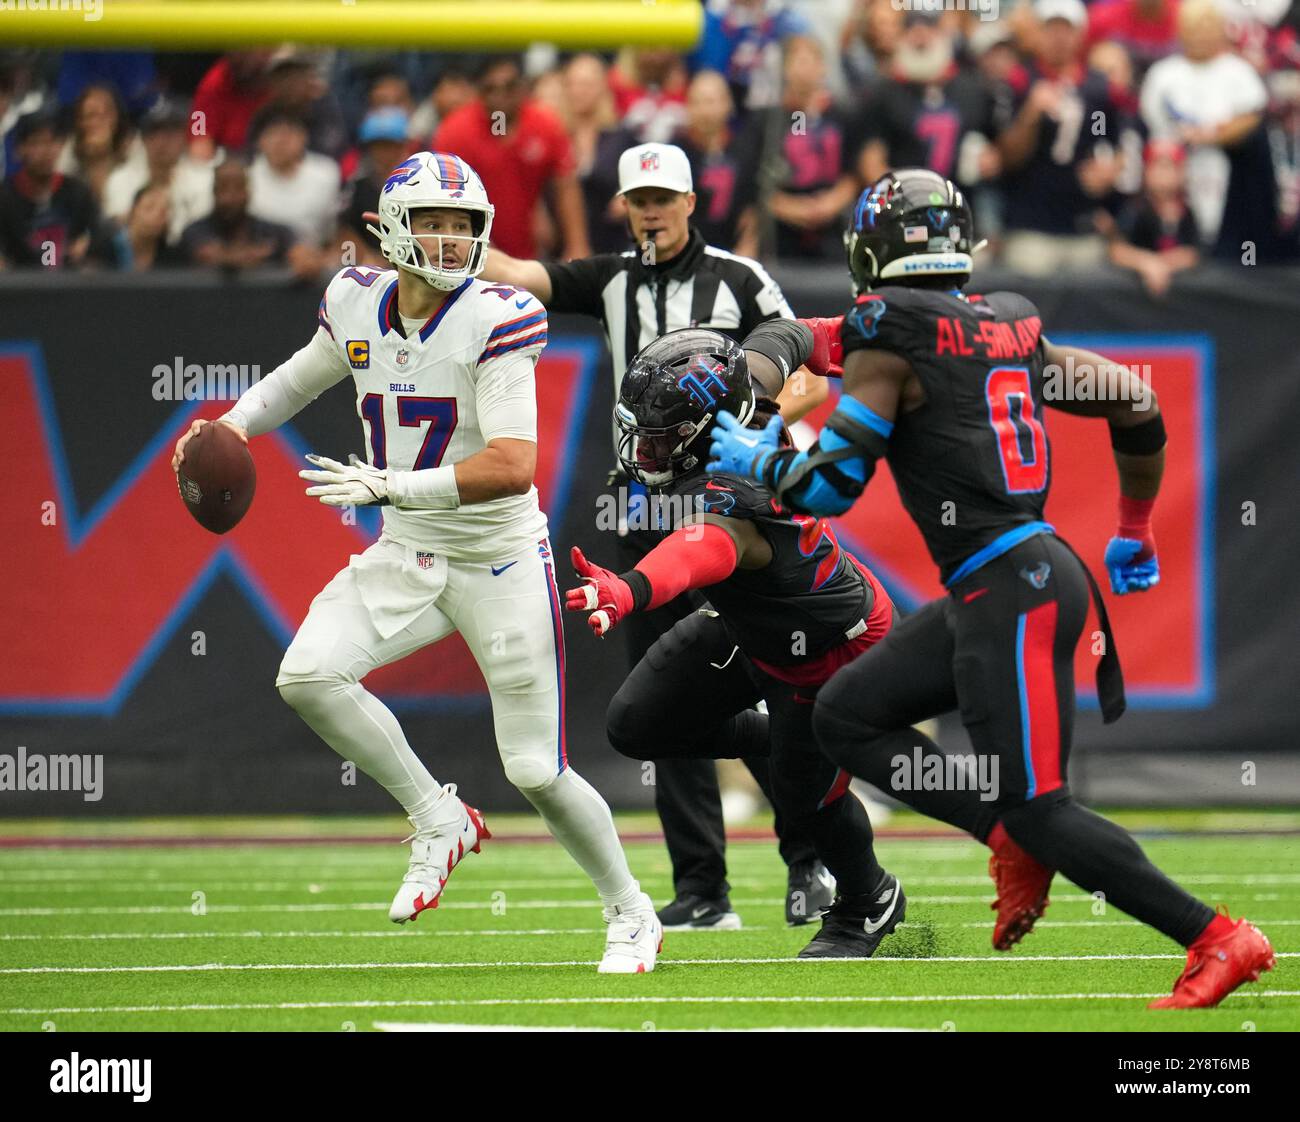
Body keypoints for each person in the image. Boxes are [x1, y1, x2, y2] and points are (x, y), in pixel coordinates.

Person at [708, 167, 1276, 1009]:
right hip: (1017, 579)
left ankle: (1216, 936)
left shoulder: (888, 328)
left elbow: (830, 487)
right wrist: (1134, 525)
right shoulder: (1003, 324)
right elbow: (1135, 403)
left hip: (1013, 587)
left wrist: (764, 462)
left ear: (870, 254)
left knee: (1043, 806)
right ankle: (1007, 834)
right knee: (847, 714)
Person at [171, 151, 661, 974]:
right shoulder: (355, 300)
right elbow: (301, 379)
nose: (449, 237)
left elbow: (513, 465)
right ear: (390, 229)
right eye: (433, 221)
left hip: (499, 559)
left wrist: (391, 483)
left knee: (537, 769)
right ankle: (438, 815)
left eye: (464, 224)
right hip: (409, 550)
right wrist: (231, 427)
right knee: (308, 675)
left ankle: (631, 910)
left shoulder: (498, 317)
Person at [481, 140, 834, 931]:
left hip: (729, 509)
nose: (649, 212)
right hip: (643, 511)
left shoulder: (740, 281)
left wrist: (745, 427)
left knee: (768, 677)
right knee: (667, 702)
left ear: (689, 201)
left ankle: (811, 860)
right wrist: (445, 235)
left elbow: (807, 370)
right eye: (637, 200)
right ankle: (704, 889)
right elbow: (515, 274)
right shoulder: (611, 279)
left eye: (661, 199)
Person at [565, 326, 904, 956]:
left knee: (807, 800)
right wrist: (849, 335)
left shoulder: (733, 498)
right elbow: (785, 335)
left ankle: (868, 899)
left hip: (829, 645)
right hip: (751, 625)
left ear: (700, 434)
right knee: (637, 725)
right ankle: (783, 741)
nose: (645, 450)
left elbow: (700, 550)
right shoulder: (742, 396)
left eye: (662, 438)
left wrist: (629, 590)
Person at [433, 54, 589, 261]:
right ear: (478, 92)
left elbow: (566, 185)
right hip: (472, 249)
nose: (500, 96)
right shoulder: (454, 133)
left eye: (509, 87)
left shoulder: (544, 125)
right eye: (491, 89)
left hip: (529, 251)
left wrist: (577, 245)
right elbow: (443, 198)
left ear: (523, 88)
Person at [0, 110, 101, 269]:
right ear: (19, 150)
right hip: (19, 287)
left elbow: (96, 236)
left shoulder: (78, 193)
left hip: (70, 285)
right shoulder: (4, 198)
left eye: (52, 141)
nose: (46, 151)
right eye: (37, 142)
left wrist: (86, 246)